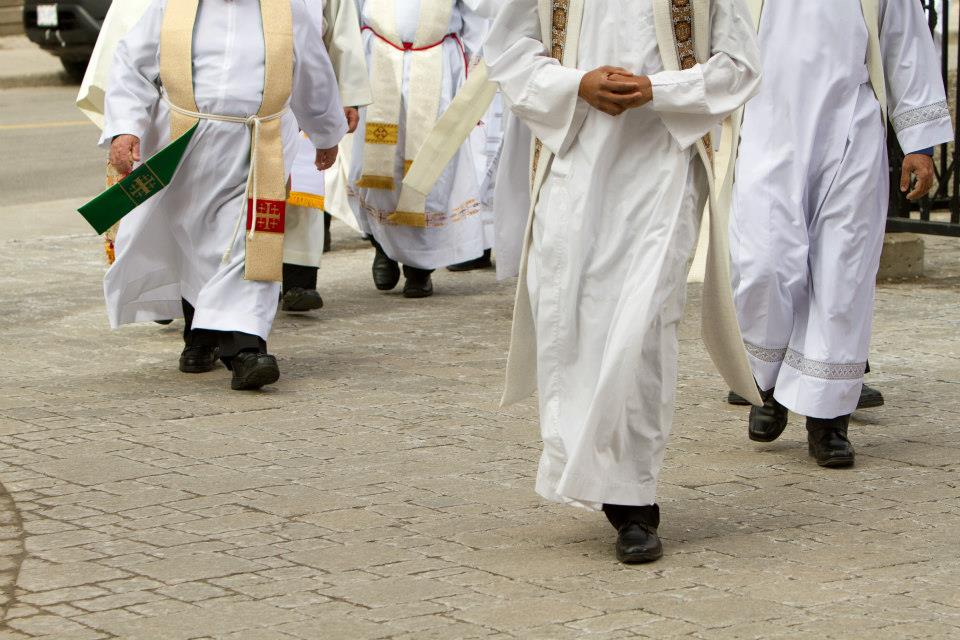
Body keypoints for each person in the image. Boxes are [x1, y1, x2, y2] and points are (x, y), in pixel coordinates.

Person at [485, 0, 762, 563]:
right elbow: (509, 50)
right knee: (577, 314)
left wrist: (660, 90)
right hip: (574, 164)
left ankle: (635, 502)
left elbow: (739, 65)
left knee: (646, 323)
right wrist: (576, 84)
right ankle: (586, 467)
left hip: (662, 165)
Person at [731, 0, 953, 467]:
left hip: (849, 125)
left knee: (842, 273)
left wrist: (920, 144)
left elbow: (906, 40)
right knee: (762, 262)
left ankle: (828, 418)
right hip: (764, 120)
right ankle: (767, 384)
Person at [101, 0, 347, 390]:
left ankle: (248, 349)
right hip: (185, 142)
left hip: (259, 144)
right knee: (193, 242)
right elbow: (133, 66)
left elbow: (313, 73)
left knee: (248, 241)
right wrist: (125, 127)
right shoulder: (171, 5)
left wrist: (326, 132)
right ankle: (199, 335)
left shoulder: (288, 8)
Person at [347, 0, 488, 298]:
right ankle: (382, 246)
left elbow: (478, 16)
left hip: (436, 65)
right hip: (379, 62)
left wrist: (477, 75)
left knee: (430, 169)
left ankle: (419, 270)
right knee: (375, 169)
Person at [281, 0, 373, 312]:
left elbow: (341, 25)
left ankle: (298, 279)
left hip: (306, 77)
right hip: (244, 86)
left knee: (305, 181)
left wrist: (347, 95)